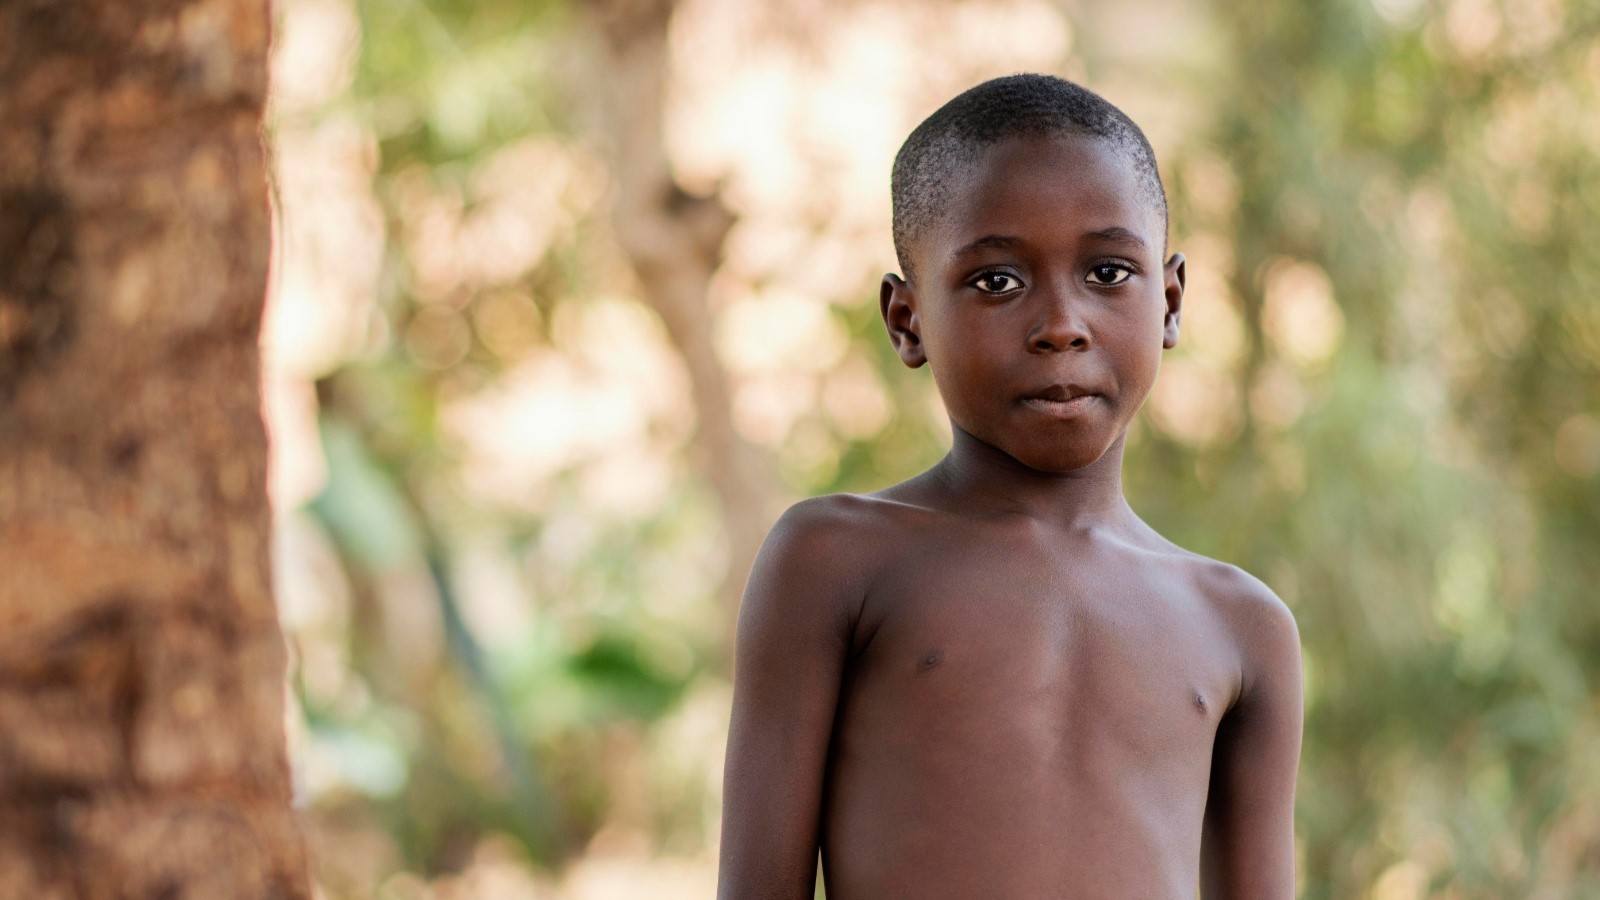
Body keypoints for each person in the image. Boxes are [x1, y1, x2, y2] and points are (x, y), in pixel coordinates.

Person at [717, 73, 1303, 900]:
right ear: (907, 319)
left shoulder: (1241, 626)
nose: (1062, 324)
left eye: (1107, 272)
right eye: (997, 281)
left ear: (1170, 302)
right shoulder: (833, 563)